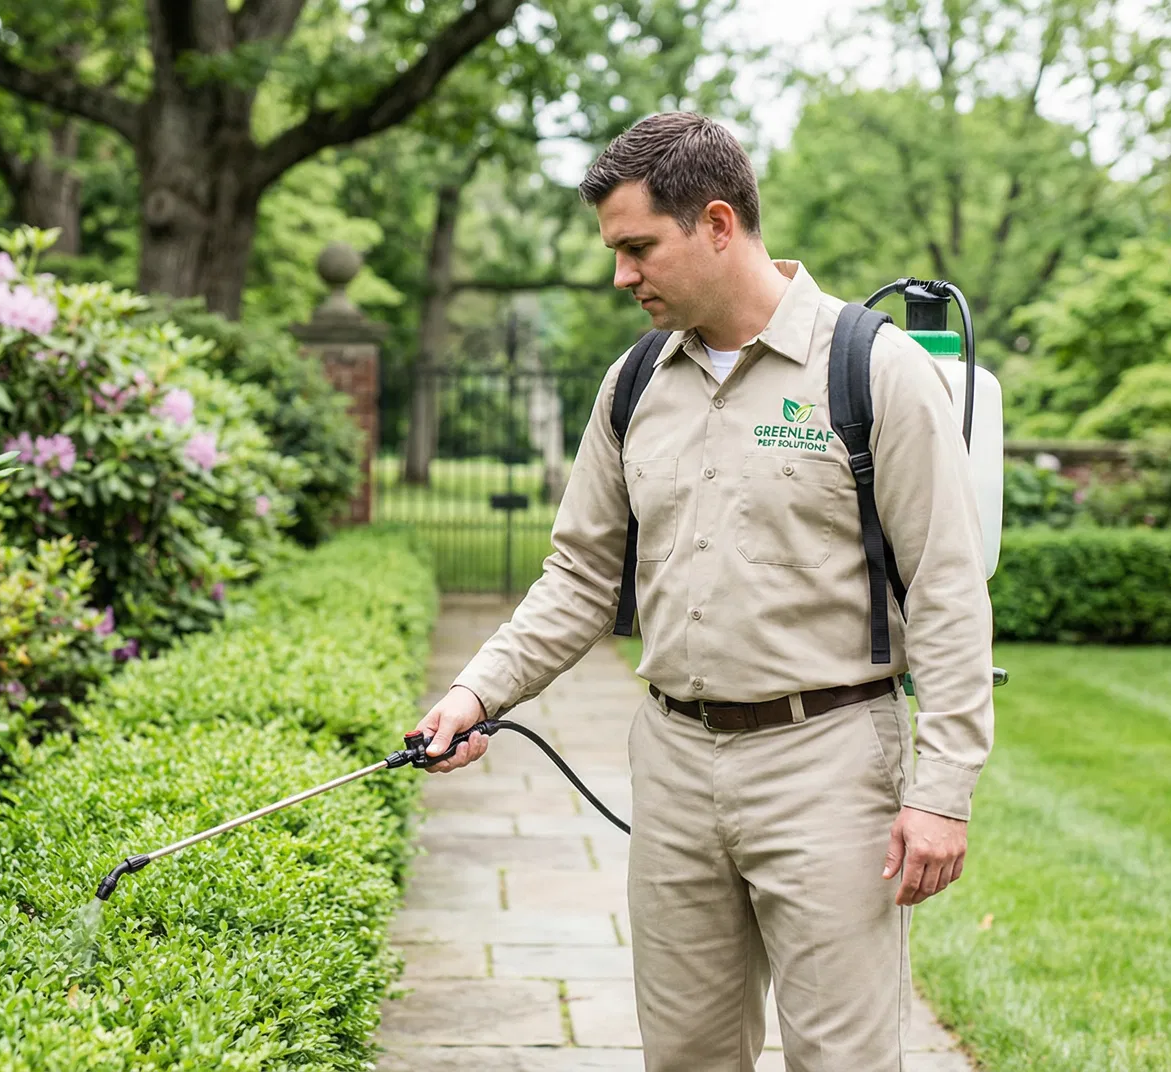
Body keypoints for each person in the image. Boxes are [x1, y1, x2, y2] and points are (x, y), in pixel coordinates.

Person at [410, 111, 995, 1072]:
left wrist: (942, 791)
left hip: (832, 762)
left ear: (717, 224)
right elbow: (580, 575)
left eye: (638, 247)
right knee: (684, 1055)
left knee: (840, 1060)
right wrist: (476, 693)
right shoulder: (633, 383)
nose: (621, 276)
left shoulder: (872, 371)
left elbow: (947, 590)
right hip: (675, 764)